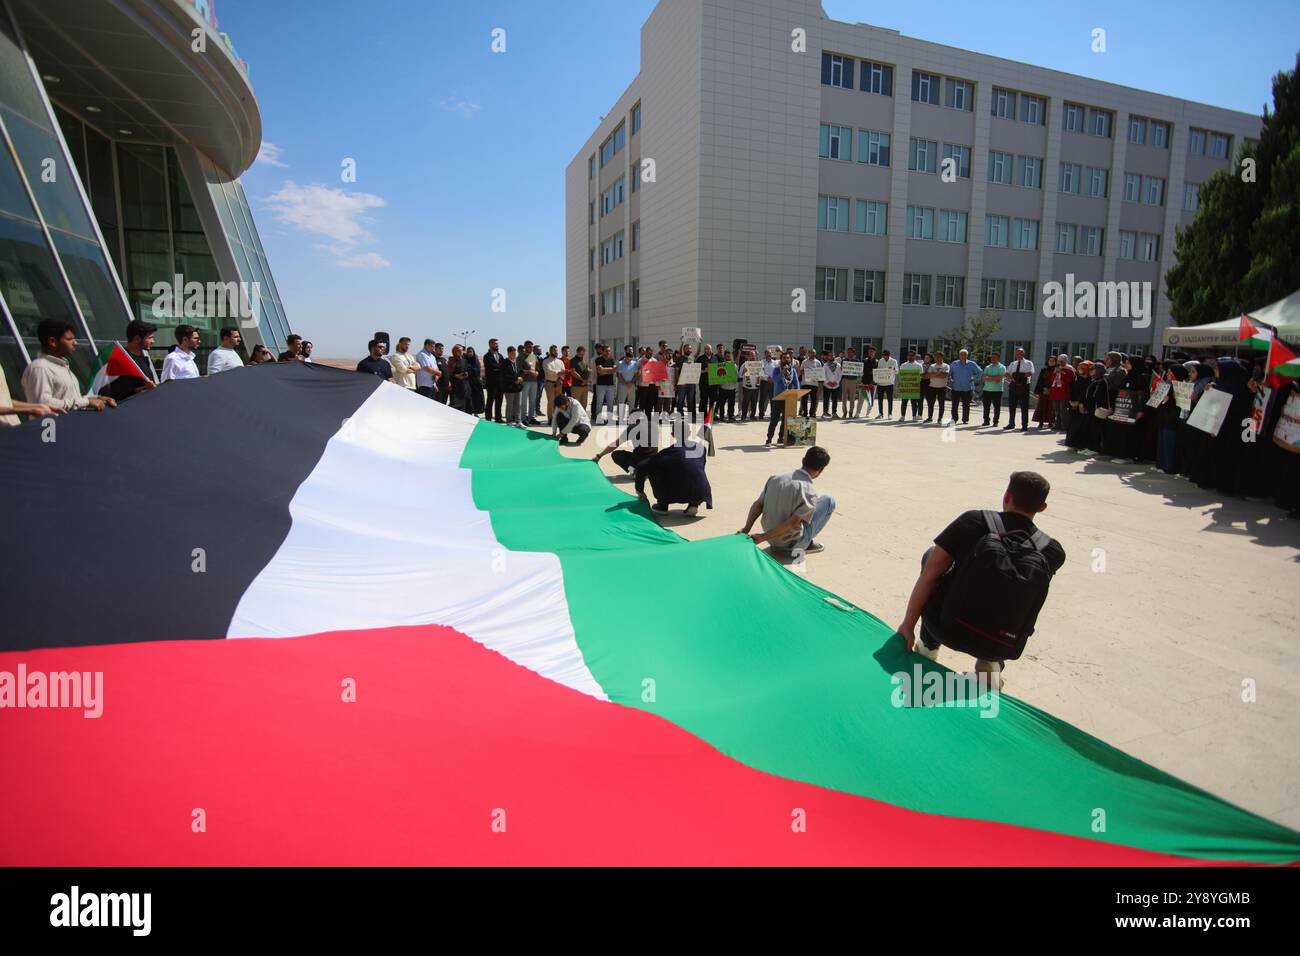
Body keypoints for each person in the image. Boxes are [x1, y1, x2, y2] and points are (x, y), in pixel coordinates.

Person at [899, 471, 1065, 691]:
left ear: (1007, 496)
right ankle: (991, 662)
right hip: (1000, 643)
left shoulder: (973, 521)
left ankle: (928, 647)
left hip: (946, 628)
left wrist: (907, 626)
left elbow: (930, 576)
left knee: (932, 557)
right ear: (1042, 507)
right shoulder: (1052, 552)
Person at [737, 445, 835, 561]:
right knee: (828, 500)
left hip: (772, 540)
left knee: (815, 500)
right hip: (791, 547)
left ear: (803, 460)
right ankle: (807, 543)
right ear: (821, 470)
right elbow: (793, 522)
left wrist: (746, 528)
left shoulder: (776, 478)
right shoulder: (810, 491)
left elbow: (758, 504)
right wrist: (762, 538)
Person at [21, 319, 116, 413]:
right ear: (52, 341)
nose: (75, 343)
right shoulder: (40, 368)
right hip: (52, 427)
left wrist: (97, 398)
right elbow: (42, 404)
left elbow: (71, 400)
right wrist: (86, 401)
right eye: (69, 339)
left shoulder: (60, 366)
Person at [636, 437, 712, 516]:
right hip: (701, 492)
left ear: (672, 434)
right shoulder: (701, 448)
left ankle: (662, 505)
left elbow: (642, 466)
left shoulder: (669, 451)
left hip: (677, 491)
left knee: (654, 468)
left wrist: (639, 490)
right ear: (689, 433)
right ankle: (694, 504)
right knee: (693, 471)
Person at [101, 319, 159, 402]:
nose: (153, 341)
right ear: (137, 339)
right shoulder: (121, 360)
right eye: (150, 338)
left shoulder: (143, 358)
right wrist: (144, 388)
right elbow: (119, 394)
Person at [765, 354, 801, 446]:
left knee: (786, 420)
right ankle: (769, 438)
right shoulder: (777, 369)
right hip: (778, 398)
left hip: (789, 399)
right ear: (781, 360)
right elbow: (775, 380)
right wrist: (782, 373)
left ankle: (781, 438)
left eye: (788, 358)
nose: (786, 360)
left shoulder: (792, 370)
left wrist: (797, 394)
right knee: (774, 420)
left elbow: (796, 383)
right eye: (784, 358)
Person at [1004, 348, 1034, 431]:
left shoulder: (1028, 363)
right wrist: (1013, 378)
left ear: (1024, 354)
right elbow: (1006, 373)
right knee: (1012, 405)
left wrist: (1018, 377)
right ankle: (1011, 423)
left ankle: (1024, 425)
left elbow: (1030, 373)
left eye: (1021, 353)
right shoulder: (1013, 363)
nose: (1019, 355)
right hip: (1013, 386)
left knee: (1024, 406)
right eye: (1017, 353)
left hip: (1024, 386)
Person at [948, 349, 981, 424]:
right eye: (961, 354)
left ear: (967, 355)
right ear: (959, 355)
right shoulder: (954, 364)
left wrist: (974, 378)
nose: (963, 356)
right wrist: (950, 379)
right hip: (956, 387)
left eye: (964, 354)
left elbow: (980, 372)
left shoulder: (972, 364)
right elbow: (949, 373)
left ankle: (965, 419)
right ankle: (954, 419)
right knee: (954, 405)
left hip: (967, 387)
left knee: (966, 405)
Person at [1049, 354, 1076, 432]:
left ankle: (1065, 426)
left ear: (1065, 361)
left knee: (1063, 410)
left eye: (1062, 361)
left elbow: (1070, 380)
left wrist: (1062, 373)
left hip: (1064, 392)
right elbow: (1051, 380)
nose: (1060, 363)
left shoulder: (1070, 369)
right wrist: (1055, 372)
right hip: (1055, 392)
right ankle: (1057, 424)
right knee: (1056, 410)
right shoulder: (1056, 368)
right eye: (1059, 361)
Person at [500, 346, 524, 426]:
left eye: (515, 353)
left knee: (518, 405)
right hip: (509, 388)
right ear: (509, 353)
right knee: (510, 405)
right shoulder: (505, 362)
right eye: (513, 353)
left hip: (518, 387)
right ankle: (509, 421)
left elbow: (521, 372)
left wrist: (520, 378)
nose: (514, 354)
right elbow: (505, 375)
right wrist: (516, 379)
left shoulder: (516, 362)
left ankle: (518, 421)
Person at [616, 345, 641, 422]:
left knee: (632, 401)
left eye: (630, 359)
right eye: (627, 359)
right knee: (621, 401)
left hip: (631, 385)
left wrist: (631, 382)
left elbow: (636, 374)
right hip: (622, 385)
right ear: (625, 358)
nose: (629, 361)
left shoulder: (634, 363)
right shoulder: (620, 363)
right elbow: (619, 375)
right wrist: (625, 383)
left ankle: (631, 417)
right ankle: (620, 418)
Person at [593, 344, 617, 424]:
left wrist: (605, 370)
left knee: (610, 403)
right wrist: (610, 370)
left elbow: (614, 370)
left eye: (609, 351)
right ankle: (599, 420)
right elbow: (600, 371)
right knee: (600, 403)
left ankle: (610, 419)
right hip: (601, 385)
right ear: (602, 351)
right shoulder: (598, 359)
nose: (608, 352)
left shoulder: (612, 360)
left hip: (610, 385)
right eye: (606, 351)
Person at [483, 338, 505, 423]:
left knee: (499, 401)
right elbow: (491, 367)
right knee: (490, 401)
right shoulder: (487, 356)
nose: (497, 345)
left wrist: (498, 368)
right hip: (491, 383)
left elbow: (503, 366)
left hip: (500, 383)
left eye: (498, 344)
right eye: (495, 344)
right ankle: (488, 418)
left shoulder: (500, 355)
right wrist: (499, 368)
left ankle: (498, 418)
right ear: (490, 345)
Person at [981, 352, 1006, 426]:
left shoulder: (1002, 367)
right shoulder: (987, 367)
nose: (992, 359)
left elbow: (999, 378)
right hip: (986, 390)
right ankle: (986, 421)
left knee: (996, 407)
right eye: (991, 357)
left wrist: (989, 377)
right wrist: (993, 378)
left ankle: (995, 422)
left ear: (998, 358)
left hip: (997, 390)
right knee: (986, 407)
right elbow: (983, 378)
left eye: (994, 357)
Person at [1031, 354, 1056, 429]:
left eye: (1053, 361)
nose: (1051, 362)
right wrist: (1041, 390)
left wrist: (1051, 390)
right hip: (1043, 391)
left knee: (1051, 407)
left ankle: (1050, 422)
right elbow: (1040, 381)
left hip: (1053, 391)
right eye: (1050, 361)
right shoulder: (1044, 370)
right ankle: (1041, 422)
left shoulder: (1057, 370)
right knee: (1041, 406)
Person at [519, 340, 541, 424]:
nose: (531, 348)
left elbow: (537, 369)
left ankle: (531, 417)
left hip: (534, 381)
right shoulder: (521, 357)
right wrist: (529, 372)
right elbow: (519, 369)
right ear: (525, 347)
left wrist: (536, 373)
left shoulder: (534, 356)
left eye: (532, 347)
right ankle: (523, 418)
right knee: (524, 401)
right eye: (529, 347)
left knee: (532, 401)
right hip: (525, 381)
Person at [899, 351, 924, 421]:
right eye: (909, 355)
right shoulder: (903, 365)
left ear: (915, 356)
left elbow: (921, 376)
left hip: (914, 386)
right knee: (904, 402)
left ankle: (914, 416)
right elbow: (901, 375)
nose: (910, 357)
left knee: (914, 403)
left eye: (912, 355)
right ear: (907, 356)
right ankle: (903, 416)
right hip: (905, 386)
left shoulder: (919, 365)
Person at [926, 351, 950, 423]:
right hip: (932, 387)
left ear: (942, 357)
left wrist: (934, 374)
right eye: (935, 357)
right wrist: (939, 373)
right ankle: (930, 417)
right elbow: (929, 375)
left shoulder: (946, 366)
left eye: (938, 357)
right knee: (930, 404)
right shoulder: (932, 366)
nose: (936, 358)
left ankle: (940, 418)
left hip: (942, 387)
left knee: (941, 404)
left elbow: (944, 376)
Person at [875, 349, 898, 418]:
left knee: (890, 399)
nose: (885, 357)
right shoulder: (880, 361)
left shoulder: (894, 361)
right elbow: (878, 371)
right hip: (881, 383)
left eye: (886, 355)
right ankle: (880, 413)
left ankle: (890, 413)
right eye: (884, 355)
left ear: (889, 355)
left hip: (889, 383)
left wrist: (892, 369)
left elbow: (897, 371)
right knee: (880, 399)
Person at [465, 346, 485, 415]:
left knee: (477, 398)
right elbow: (466, 369)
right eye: (468, 352)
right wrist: (471, 370)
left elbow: (478, 370)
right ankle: (469, 412)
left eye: (471, 352)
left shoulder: (476, 361)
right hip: (468, 383)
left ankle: (476, 412)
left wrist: (472, 370)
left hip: (476, 383)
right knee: (469, 398)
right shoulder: (465, 360)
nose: (470, 353)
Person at [570, 345, 590, 412]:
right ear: (577, 352)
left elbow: (587, 371)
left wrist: (586, 380)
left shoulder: (584, 361)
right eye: (581, 354)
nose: (582, 355)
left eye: (583, 354)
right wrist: (582, 380)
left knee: (584, 403)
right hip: (576, 386)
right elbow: (573, 372)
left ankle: (582, 419)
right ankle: (575, 420)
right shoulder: (573, 360)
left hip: (585, 386)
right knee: (575, 404)